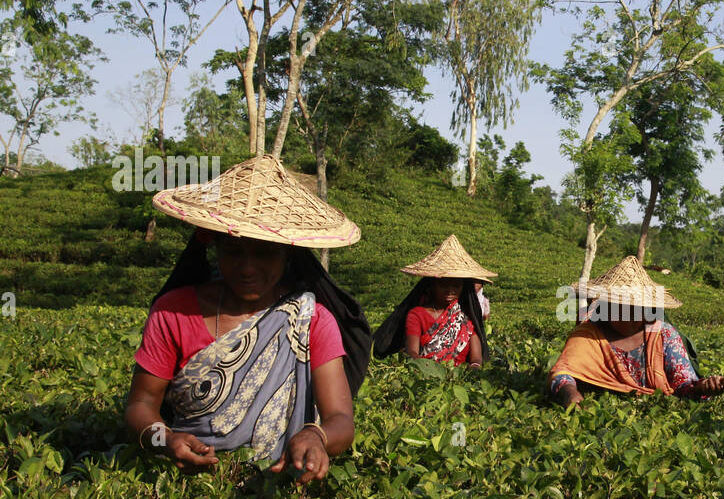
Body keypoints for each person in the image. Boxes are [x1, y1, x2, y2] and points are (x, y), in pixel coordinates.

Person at [124, 156, 371, 482]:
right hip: (184, 486)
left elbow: (340, 418)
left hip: (280, 485)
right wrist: (164, 440)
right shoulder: (174, 312)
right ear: (214, 245)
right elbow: (140, 404)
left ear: (288, 253)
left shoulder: (311, 320)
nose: (248, 268)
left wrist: (317, 437)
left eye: (264, 252)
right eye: (234, 251)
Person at [549, 256, 724, 406]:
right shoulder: (587, 335)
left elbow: (683, 384)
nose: (628, 314)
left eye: (635, 307)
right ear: (605, 306)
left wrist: (704, 386)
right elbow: (562, 373)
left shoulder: (664, 336)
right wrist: (569, 393)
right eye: (619, 306)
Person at [371, 234, 493, 367]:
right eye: (444, 284)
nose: (450, 290)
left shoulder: (467, 317)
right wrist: (425, 368)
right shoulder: (417, 315)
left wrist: (474, 368)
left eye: (456, 285)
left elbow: (476, 358)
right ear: (433, 285)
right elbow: (412, 351)